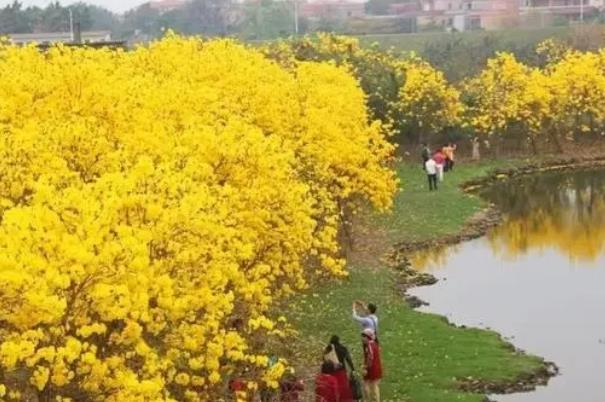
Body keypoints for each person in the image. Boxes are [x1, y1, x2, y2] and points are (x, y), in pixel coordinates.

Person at [324, 335, 355, 402]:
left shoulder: (328, 349)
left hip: (331, 371)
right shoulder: (343, 348)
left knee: (333, 389)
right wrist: (352, 369)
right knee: (343, 389)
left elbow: (324, 360)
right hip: (341, 371)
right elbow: (348, 359)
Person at [361, 328, 383, 402]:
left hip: (372, 369)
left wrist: (365, 367)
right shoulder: (374, 344)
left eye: (363, 336)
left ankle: (368, 400)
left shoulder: (369, 345)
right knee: (374, 385)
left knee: (369, 385)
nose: (362, 338)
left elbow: (370, 358)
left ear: (368, 337)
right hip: (376, 367)